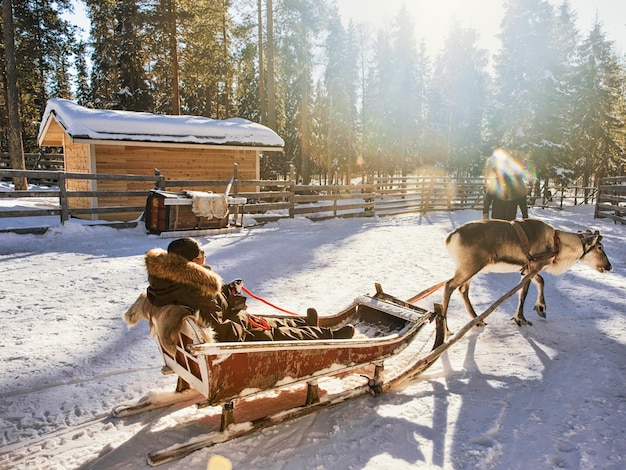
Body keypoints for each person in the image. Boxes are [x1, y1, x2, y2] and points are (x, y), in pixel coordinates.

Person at [144, 237, 355, 342]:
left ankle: (305, 323)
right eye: (202, 253)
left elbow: (209, 306)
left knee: (268, 321)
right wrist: (241, 320)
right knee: (276, 333)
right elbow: (218, 330)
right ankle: (330, 337)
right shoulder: (195, 290)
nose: (205, 256)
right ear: (192, 262)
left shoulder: (175, 284)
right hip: (236, 341)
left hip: (230, 323)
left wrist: (228, 291)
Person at [482, 151, 529, 221]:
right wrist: (485, 214)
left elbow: (522, 200)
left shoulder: (517, 180)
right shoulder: (498, 179)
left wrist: (525, 216)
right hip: (498, 217)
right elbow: (488, 197)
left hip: (510, 216)